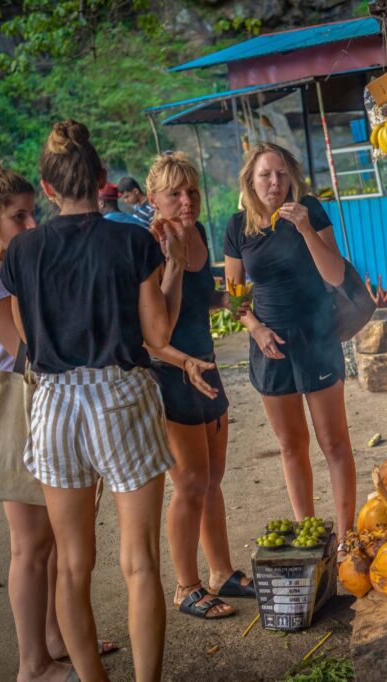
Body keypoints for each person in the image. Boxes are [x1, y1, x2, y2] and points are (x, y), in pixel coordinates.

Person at [1, 120, 202, 682]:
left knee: (71, 564)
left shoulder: (22, 250)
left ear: (46, 189)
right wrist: (174, 265)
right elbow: (157, 336)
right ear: (102, 178)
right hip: (121, 397)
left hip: (55, 404)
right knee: (139, 564)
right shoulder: (131, 240)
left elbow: (26, 338)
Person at [0, 154, 120, 681]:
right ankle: (32, 666)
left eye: (30, 214)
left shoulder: (3, 263)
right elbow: (24, 346)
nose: (30, 224)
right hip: (8, 407)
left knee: (46, 541)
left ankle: (53, 638)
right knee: (28, 545)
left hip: (32, 401)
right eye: (18, 217)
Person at [223, 143, 357, 540]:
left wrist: (304, 229)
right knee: (291, 445)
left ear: (292, 178)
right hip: (271, 345)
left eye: (282, 174)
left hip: (317, 337)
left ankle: (347, 537)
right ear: (251, 180)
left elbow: (336, 276)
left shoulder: (311, 211)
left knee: (334, 443)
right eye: (266, 174)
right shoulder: (237, 227)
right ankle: (309, 534)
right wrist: (256, 328)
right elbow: (235, 298)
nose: (275, 183)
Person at [144, 151, 255, 621]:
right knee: (188, 483)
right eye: (175, 194)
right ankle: (186, 587)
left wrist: (238, 299)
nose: (187, 201)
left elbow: (202, 298)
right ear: (154, 199)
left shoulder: (200, 233)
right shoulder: (147, 246)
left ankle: (221, 572)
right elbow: (156, 334)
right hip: (172, 373)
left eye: (191, 191)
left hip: (205, 365)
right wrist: (170, 263)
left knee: (212, 478)